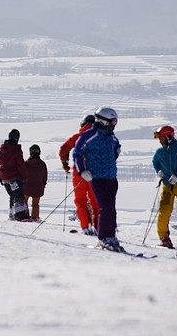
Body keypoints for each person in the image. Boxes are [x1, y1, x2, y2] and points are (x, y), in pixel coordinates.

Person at [73, 106, 122, 251]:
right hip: (97, 178)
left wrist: (116, 151)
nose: (114, 125)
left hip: (111, 177)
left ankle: (111, 237)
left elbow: (116, 147)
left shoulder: (111, 136)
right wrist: (82, 171)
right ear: (103, 120)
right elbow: (76, 153)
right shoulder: (88, 135)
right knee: (105, 208)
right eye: (112, 122)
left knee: (111, 209)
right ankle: (103, 238)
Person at [59, 114, 100, 235]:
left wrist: (64, 163)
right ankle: (97, 226)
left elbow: (64, 149)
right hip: (95, 173)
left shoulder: (78, 136)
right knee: (96, 201)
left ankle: (85, 227)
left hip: (79, 172)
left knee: (80, 200)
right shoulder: (99, 137)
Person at [0, 129, 31, 221]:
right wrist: (24, 177)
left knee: (13, 195)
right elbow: (20, 165)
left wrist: (0, 176)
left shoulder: (1, 149)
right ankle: (20, 216)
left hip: (5, 178)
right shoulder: (16, 150)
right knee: (19, 196)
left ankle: (12, 215)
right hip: (13, 179)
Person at [24, 144, 48, 221]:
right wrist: (43, 185)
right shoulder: (42, 164)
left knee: (24, 202)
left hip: (26, 187)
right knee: (35, 204)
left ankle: (24, 216)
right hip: (38, 188)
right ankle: (35, 217)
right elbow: (45, 176)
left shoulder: (26, 163)